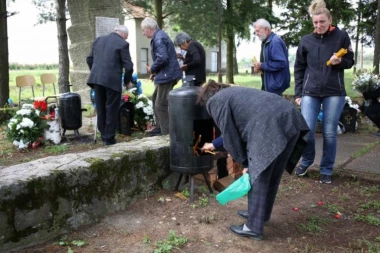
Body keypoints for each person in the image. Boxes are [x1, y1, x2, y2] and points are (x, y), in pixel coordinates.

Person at [199, 80, 309, 240]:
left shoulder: (216, 101)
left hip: (269, 126)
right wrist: (213, 144)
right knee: (272, 174)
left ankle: (253, 227)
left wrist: (246, 163)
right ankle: (260, 215)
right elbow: (235, 129)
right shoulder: (234, 93)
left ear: (208, 99)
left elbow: (230, 135)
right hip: (291, 118)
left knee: (258, 174)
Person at [294, 0, 354, 183]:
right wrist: (298, 94)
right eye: (315, 22)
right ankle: (307, 160)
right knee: (307, 131)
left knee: (329, 132)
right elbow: (299, 68)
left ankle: (326, 169)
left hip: (334, 91)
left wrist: (340, 62)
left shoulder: (341, 36)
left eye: (322, 22)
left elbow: (350, 61)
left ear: (330, 20)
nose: (319, 26)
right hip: (310, 92)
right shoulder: (306, 40)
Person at [86, 25, 133, 145]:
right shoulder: (123, 44)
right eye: (126, 37)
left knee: (101, 108)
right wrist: (127, 81)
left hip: (97, 80)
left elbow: (89, 59)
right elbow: (129, 67)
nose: (125, 39)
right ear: (123, 34)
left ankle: (103, 135)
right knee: (111, 108)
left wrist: (96, 71)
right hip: (112, 81)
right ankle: (109, 138)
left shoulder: (98, 40)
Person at [141, 17, 182, 136]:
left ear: (149, 28)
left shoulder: (159, 39)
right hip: (165, 74)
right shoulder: (159, 37)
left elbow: (163, 58)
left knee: (161, 104)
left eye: (143, 30)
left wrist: (153, 69)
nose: (143, 33)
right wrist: (155, 73)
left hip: (167, 76)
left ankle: (166, 133)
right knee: (155, 100)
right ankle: (160, 127)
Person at [252, 19, 290, 96]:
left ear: (266, 29)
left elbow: (281, 63)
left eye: (258, 31)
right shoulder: (266, 42)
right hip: (271, 86)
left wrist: (262, 65)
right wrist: (260, 67)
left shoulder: (275, 41)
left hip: (275, 87)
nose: (256, 34)